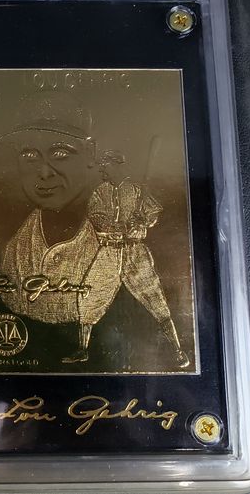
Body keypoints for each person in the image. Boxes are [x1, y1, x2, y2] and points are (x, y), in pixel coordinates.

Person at [0, 92, 100, 363]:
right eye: (29, 155)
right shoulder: (14, 250)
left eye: (60, 153)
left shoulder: (119, 241)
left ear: (90, 153)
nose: (44, 172)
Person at [81, 150, 190, 368]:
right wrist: (116, 225)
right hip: (108, 251)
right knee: (90, 295)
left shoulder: (137, 190)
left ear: (115, 165)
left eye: (104, 165)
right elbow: (96, 216)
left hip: (134, 251)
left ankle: (178, 350)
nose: (101, 170)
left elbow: (153, 213)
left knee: (154, 297)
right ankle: (82, 350)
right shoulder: (100, 191)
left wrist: (142, 221)